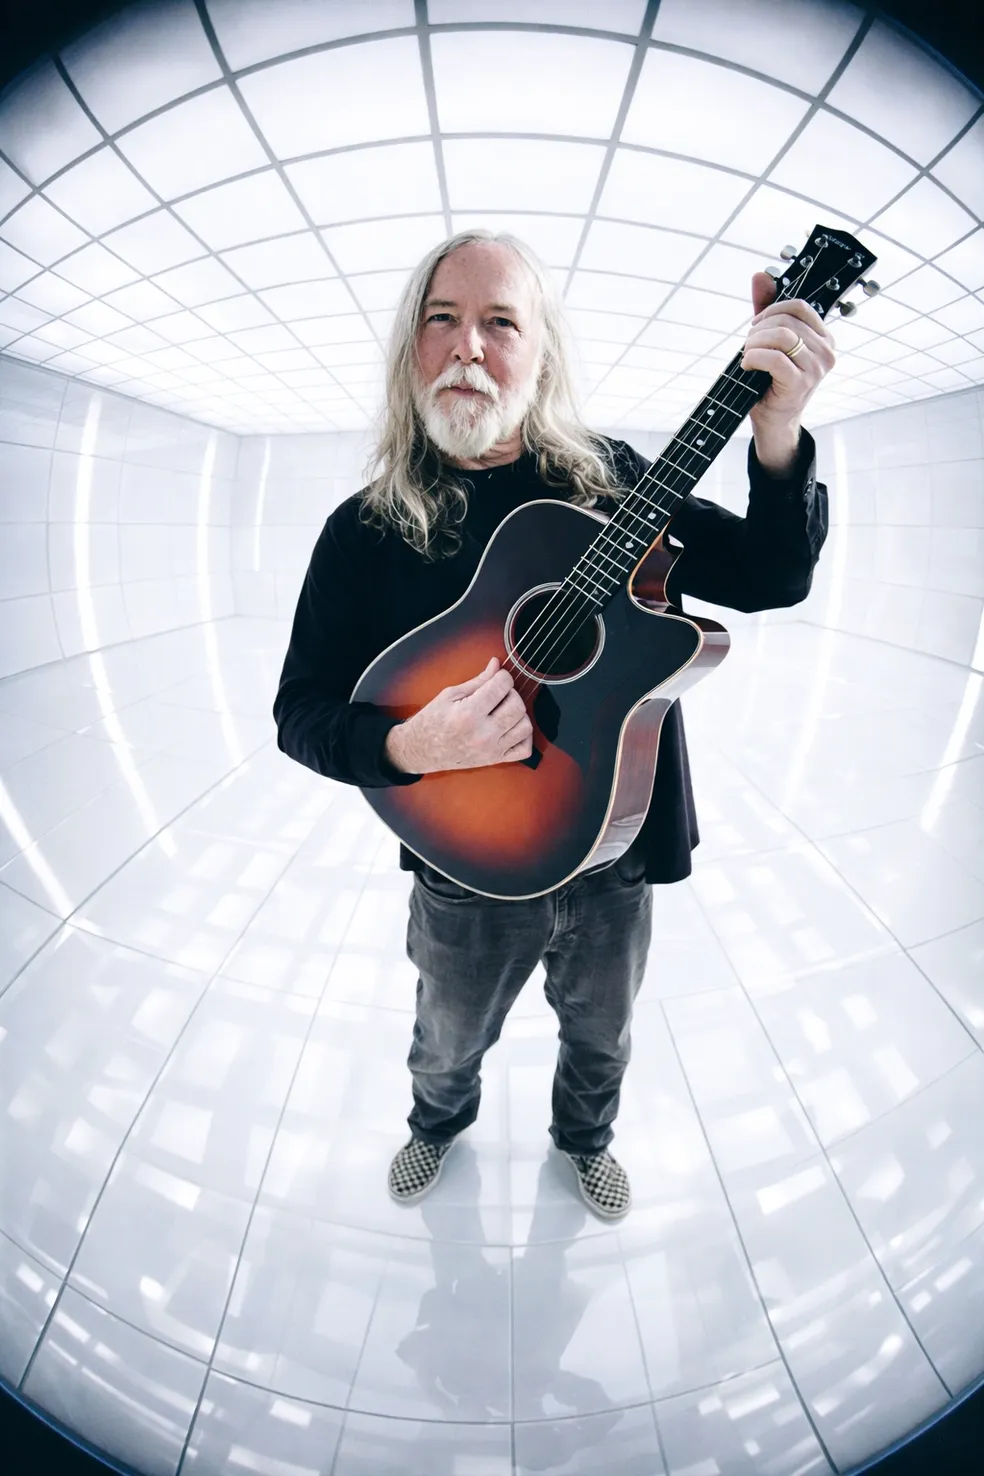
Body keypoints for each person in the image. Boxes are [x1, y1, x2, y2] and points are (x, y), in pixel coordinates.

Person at [272, 229, 833, 1221]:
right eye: (440, 320)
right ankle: (434, 1126)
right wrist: (407, 746)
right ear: (411, 351)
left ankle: (584, 1143)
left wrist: (777, 434)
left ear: (541, 353)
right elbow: (300, 715)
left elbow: (771, 577)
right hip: (465, 861)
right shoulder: (362, 531)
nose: (468, 347)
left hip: (612, 854)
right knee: (447, 1034)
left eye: (500, 323)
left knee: (603, 1032)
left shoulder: (611, 480)